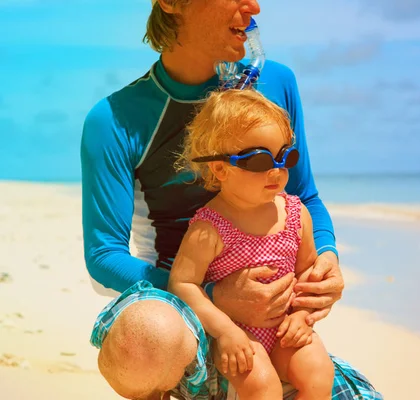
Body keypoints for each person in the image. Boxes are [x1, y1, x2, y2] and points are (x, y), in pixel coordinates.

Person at [82, 0, 382, 398]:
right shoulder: (117, 119)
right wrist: (213, 298)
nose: (254, 6)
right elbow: (104, 255)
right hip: (184, 316)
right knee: (143, 340)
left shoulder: (276, 83)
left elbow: (304, 195)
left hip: (271, 326)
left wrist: (326, 258)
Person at [168, 89, 334, 399]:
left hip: (285, 326)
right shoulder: (209, 228)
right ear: (220, 168)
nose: (277, 170)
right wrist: (224, 330)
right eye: (260, 160)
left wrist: (301, 316)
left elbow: (307, 275)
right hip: (235, 333)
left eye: (286, 157)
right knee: (261, 385)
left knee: (318, 372)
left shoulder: (296, 214)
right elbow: (182, 283)